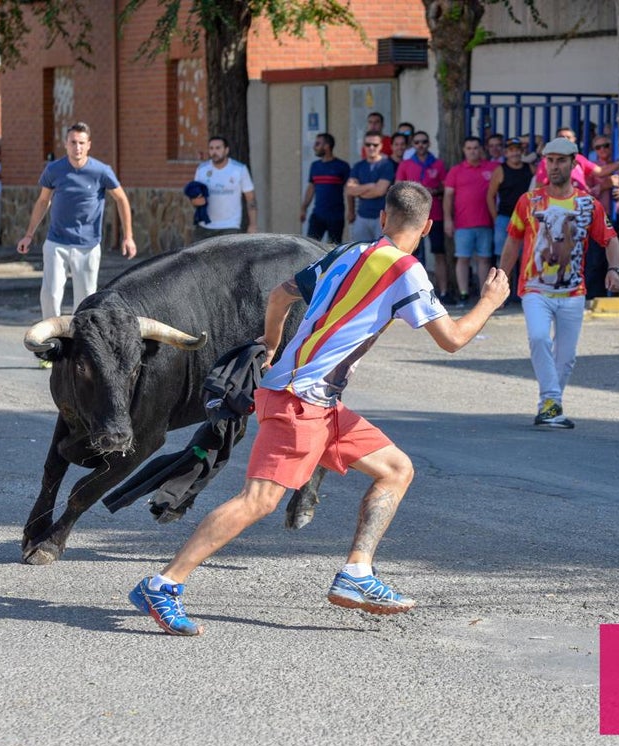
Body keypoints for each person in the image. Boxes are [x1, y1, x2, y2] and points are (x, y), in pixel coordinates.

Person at [128, 181, 510, 636]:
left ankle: (357, 573)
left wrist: (270, 344)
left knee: (396, 469)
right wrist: (489, 300)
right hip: (300, 402)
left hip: (317, 400)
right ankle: (163, 584)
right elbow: (454, 339)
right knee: (259, 500)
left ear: (383, 218)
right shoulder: (407, 271)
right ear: (428, 227)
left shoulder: (346, 253)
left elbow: (279, 295)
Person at [498, 137, 619, 429]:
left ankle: (548, 406)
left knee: (566, 358)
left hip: (573, 291)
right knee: (539, 337)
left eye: (560, 161)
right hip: (534, 287)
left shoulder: (587, 204)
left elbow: (610, 238)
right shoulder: (529, 202)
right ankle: (552, 402)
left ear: (573, 163)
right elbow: (512, 242)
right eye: (549, 160)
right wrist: (501, 279)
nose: (553, 166)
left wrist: (614, 269)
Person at [16, 121, 137, 324]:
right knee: (50, 294)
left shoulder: (101, 171)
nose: (77, 147)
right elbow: (43, 201)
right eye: (73, 142)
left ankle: (80, 345)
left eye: (81, 142)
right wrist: (29, 235)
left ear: (89, 144)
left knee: (86, 299)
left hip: (87, 246)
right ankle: (51, 344)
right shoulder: (54, 169)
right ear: (66, 144)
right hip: (57, 243)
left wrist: (128, 237)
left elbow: (121, 199)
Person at [444, 135, 496, 305]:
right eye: (469, 148)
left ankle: (484, 295)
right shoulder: (456, 171)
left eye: (475, 148)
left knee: (484, 259)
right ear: (464, 150)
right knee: (463, 258)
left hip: (486, 222)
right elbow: (448, 197)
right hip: (462, 224)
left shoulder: (492, 168)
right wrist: (448, 220)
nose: (473, 151)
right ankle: (464, 294)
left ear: (480, 150)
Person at [486, 137, 533, 301]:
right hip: (505, 218)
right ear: (506, 153)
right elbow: (490, 195)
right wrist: (495, 217)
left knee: (525, 257)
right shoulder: (500, 170)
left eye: (518, 149)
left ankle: (522, 295)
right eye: (511, 150)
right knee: (504, 258)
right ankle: (501, 297)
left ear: (522, 151)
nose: (515, 153)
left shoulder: (530, 168)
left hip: (527, 220)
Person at [396, 131, 447, 280]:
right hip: (412, 215)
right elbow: (398, 188)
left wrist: (435, 191)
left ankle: (442, 291)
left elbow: (445, 187)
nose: (421, 145)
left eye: (424, 142)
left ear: (429, 143)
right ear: (413, 145)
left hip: (435, 214)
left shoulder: (438, 164)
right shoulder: (405, 164)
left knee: (439, 253)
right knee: (412, 254)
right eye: (417, 142)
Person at [191, 135, 256, 240]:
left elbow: (250, 199)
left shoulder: (239, 169)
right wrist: (196, 201)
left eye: (218, 148)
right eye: (211, 148)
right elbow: (195, 198)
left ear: (226, 150)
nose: (214, 152)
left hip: (230, 227)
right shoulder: (202, 170)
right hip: (205, 227)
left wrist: (253, 225)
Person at [299, 132, 350, 243]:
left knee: (334, 250)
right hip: (317, 215)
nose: (314, 147)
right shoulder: (315, 166)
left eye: (317, 144)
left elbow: (349, 190)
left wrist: (351, 211)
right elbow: (311, 188)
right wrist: (303, 208)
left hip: (336, 216)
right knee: (310, 246)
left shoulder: (342, 166)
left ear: (327, 146)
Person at [346, 130, 395, 242]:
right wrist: (371, 185)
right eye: (368, 144)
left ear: (381, 146)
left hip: (382, 218)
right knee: (360, 254)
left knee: (381, 253)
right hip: (361, 217)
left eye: (375, 144)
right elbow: (349, 190)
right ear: (364, 146)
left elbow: (380, 191)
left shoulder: (387, 165)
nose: (371, 147)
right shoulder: (358, 166)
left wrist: (359, 191)